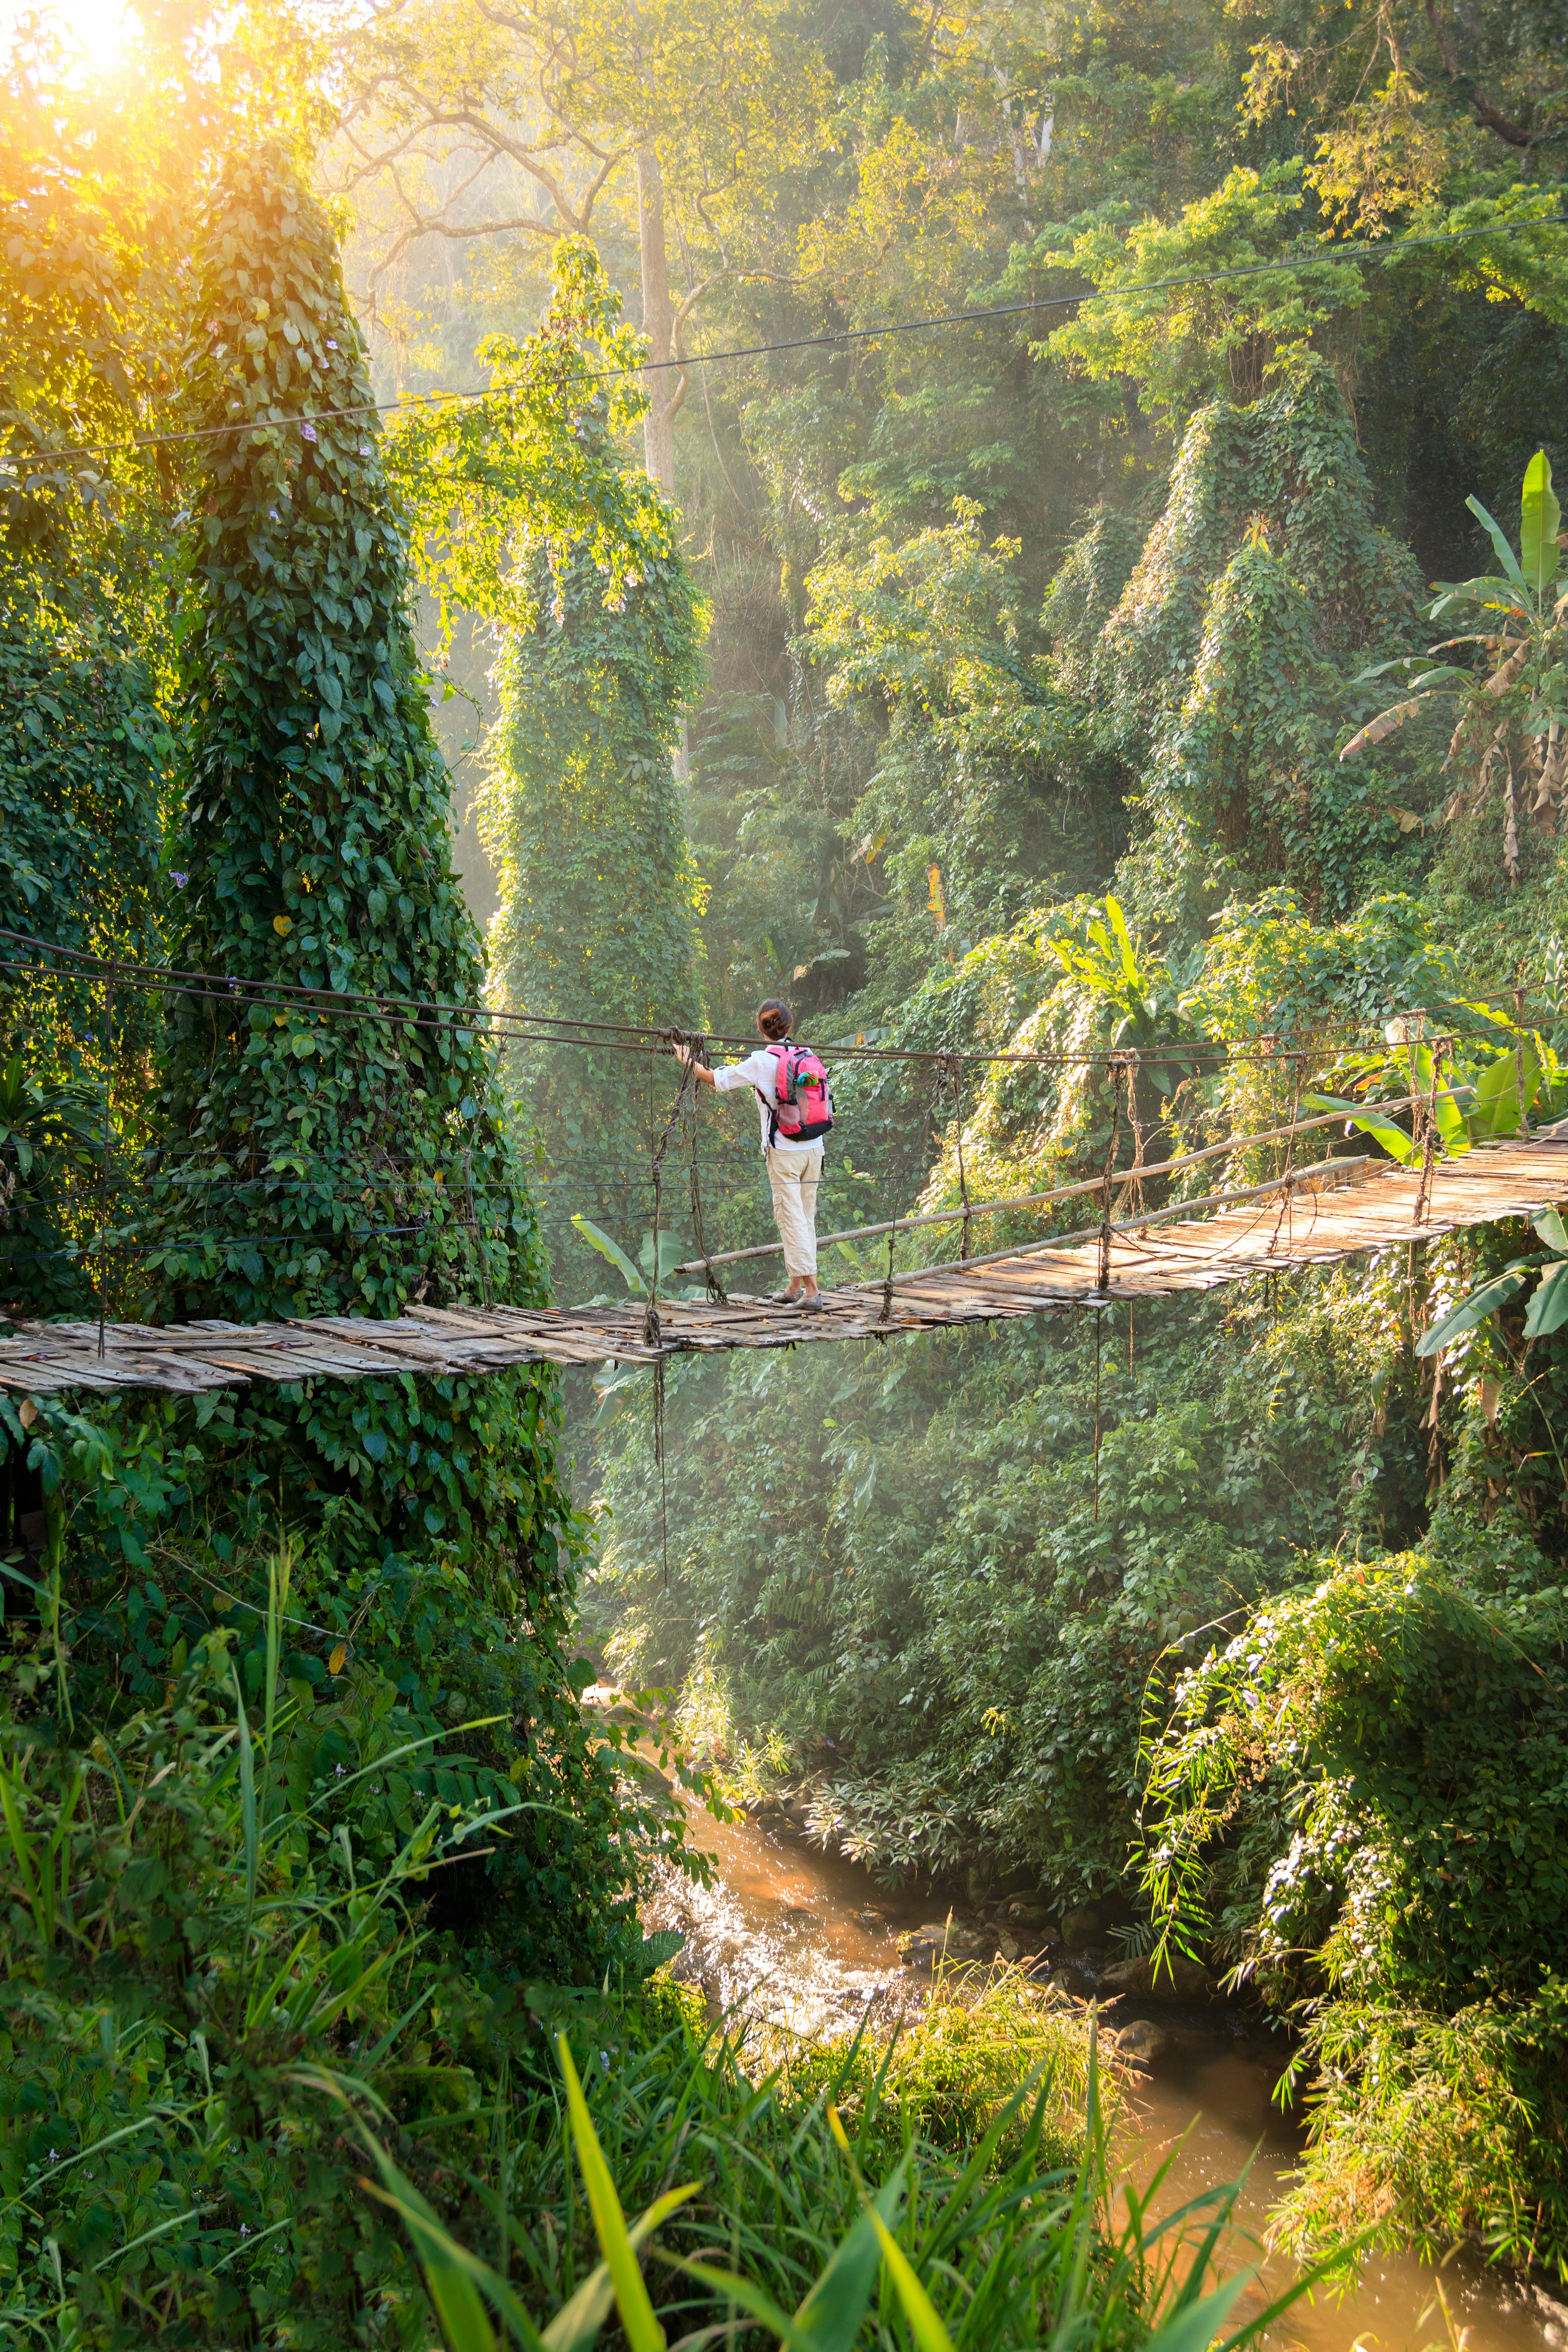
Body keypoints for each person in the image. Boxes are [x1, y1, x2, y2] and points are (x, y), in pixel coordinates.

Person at [681, 999, 827, 1311]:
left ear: (761, 1028)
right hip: (814, 1147)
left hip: (784, 1151)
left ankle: (812, 1291)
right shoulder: (807, 1055)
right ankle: (795, 1284)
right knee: (805, 1216)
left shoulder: (761, 1060)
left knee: (791, 1219)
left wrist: (687, 1062)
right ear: (789, 1025)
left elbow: (717, 1080)